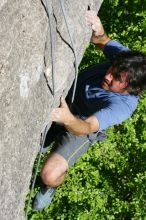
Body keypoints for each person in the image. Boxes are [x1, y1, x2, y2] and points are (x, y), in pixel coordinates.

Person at [33, 10, 146, 210]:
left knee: (49, 175)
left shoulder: (123, 106)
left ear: (131, 89)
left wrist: (67, 118)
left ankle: (50, 187)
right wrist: (98, 28)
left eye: (116, 79)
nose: (109, 76)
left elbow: (87, 126)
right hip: (68, 98)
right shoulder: (126, 63)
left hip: (81, 126)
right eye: (112, 69)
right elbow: (102, 41)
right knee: (34, 144)